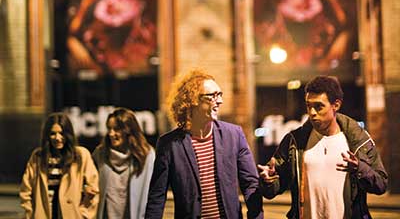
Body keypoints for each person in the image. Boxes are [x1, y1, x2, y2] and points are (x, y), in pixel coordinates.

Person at [258, 75, 388, 219]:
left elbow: (381, 184)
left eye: (319, 107)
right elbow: (272, 190)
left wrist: (360, 169)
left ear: (336, 105)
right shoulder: (295, 141)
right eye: (309, 106)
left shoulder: (358, 141)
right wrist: (268, 180)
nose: (312, 113)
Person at [145, 68, 264, 219]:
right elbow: (157, 196)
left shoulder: (234, 135)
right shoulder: (169, 144)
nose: (219, 101)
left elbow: (251, 184)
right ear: (192, 101)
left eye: (219, 94)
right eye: (212, 96)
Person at [20, 112, 99, 218]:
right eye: (53, 133)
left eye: (62, 133)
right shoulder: (38, 157)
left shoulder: (81, 155)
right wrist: (30, 213)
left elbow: (93, 189)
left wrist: (83, 215)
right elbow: (26, 190)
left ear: (68, 134)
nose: (57, 138)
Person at [92, 107, 155, 219]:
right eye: (109, 128)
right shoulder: (100, 154)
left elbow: (153, 194)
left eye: (116, 129)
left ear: (128, 129)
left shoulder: (146, 155)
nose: (111, 134)